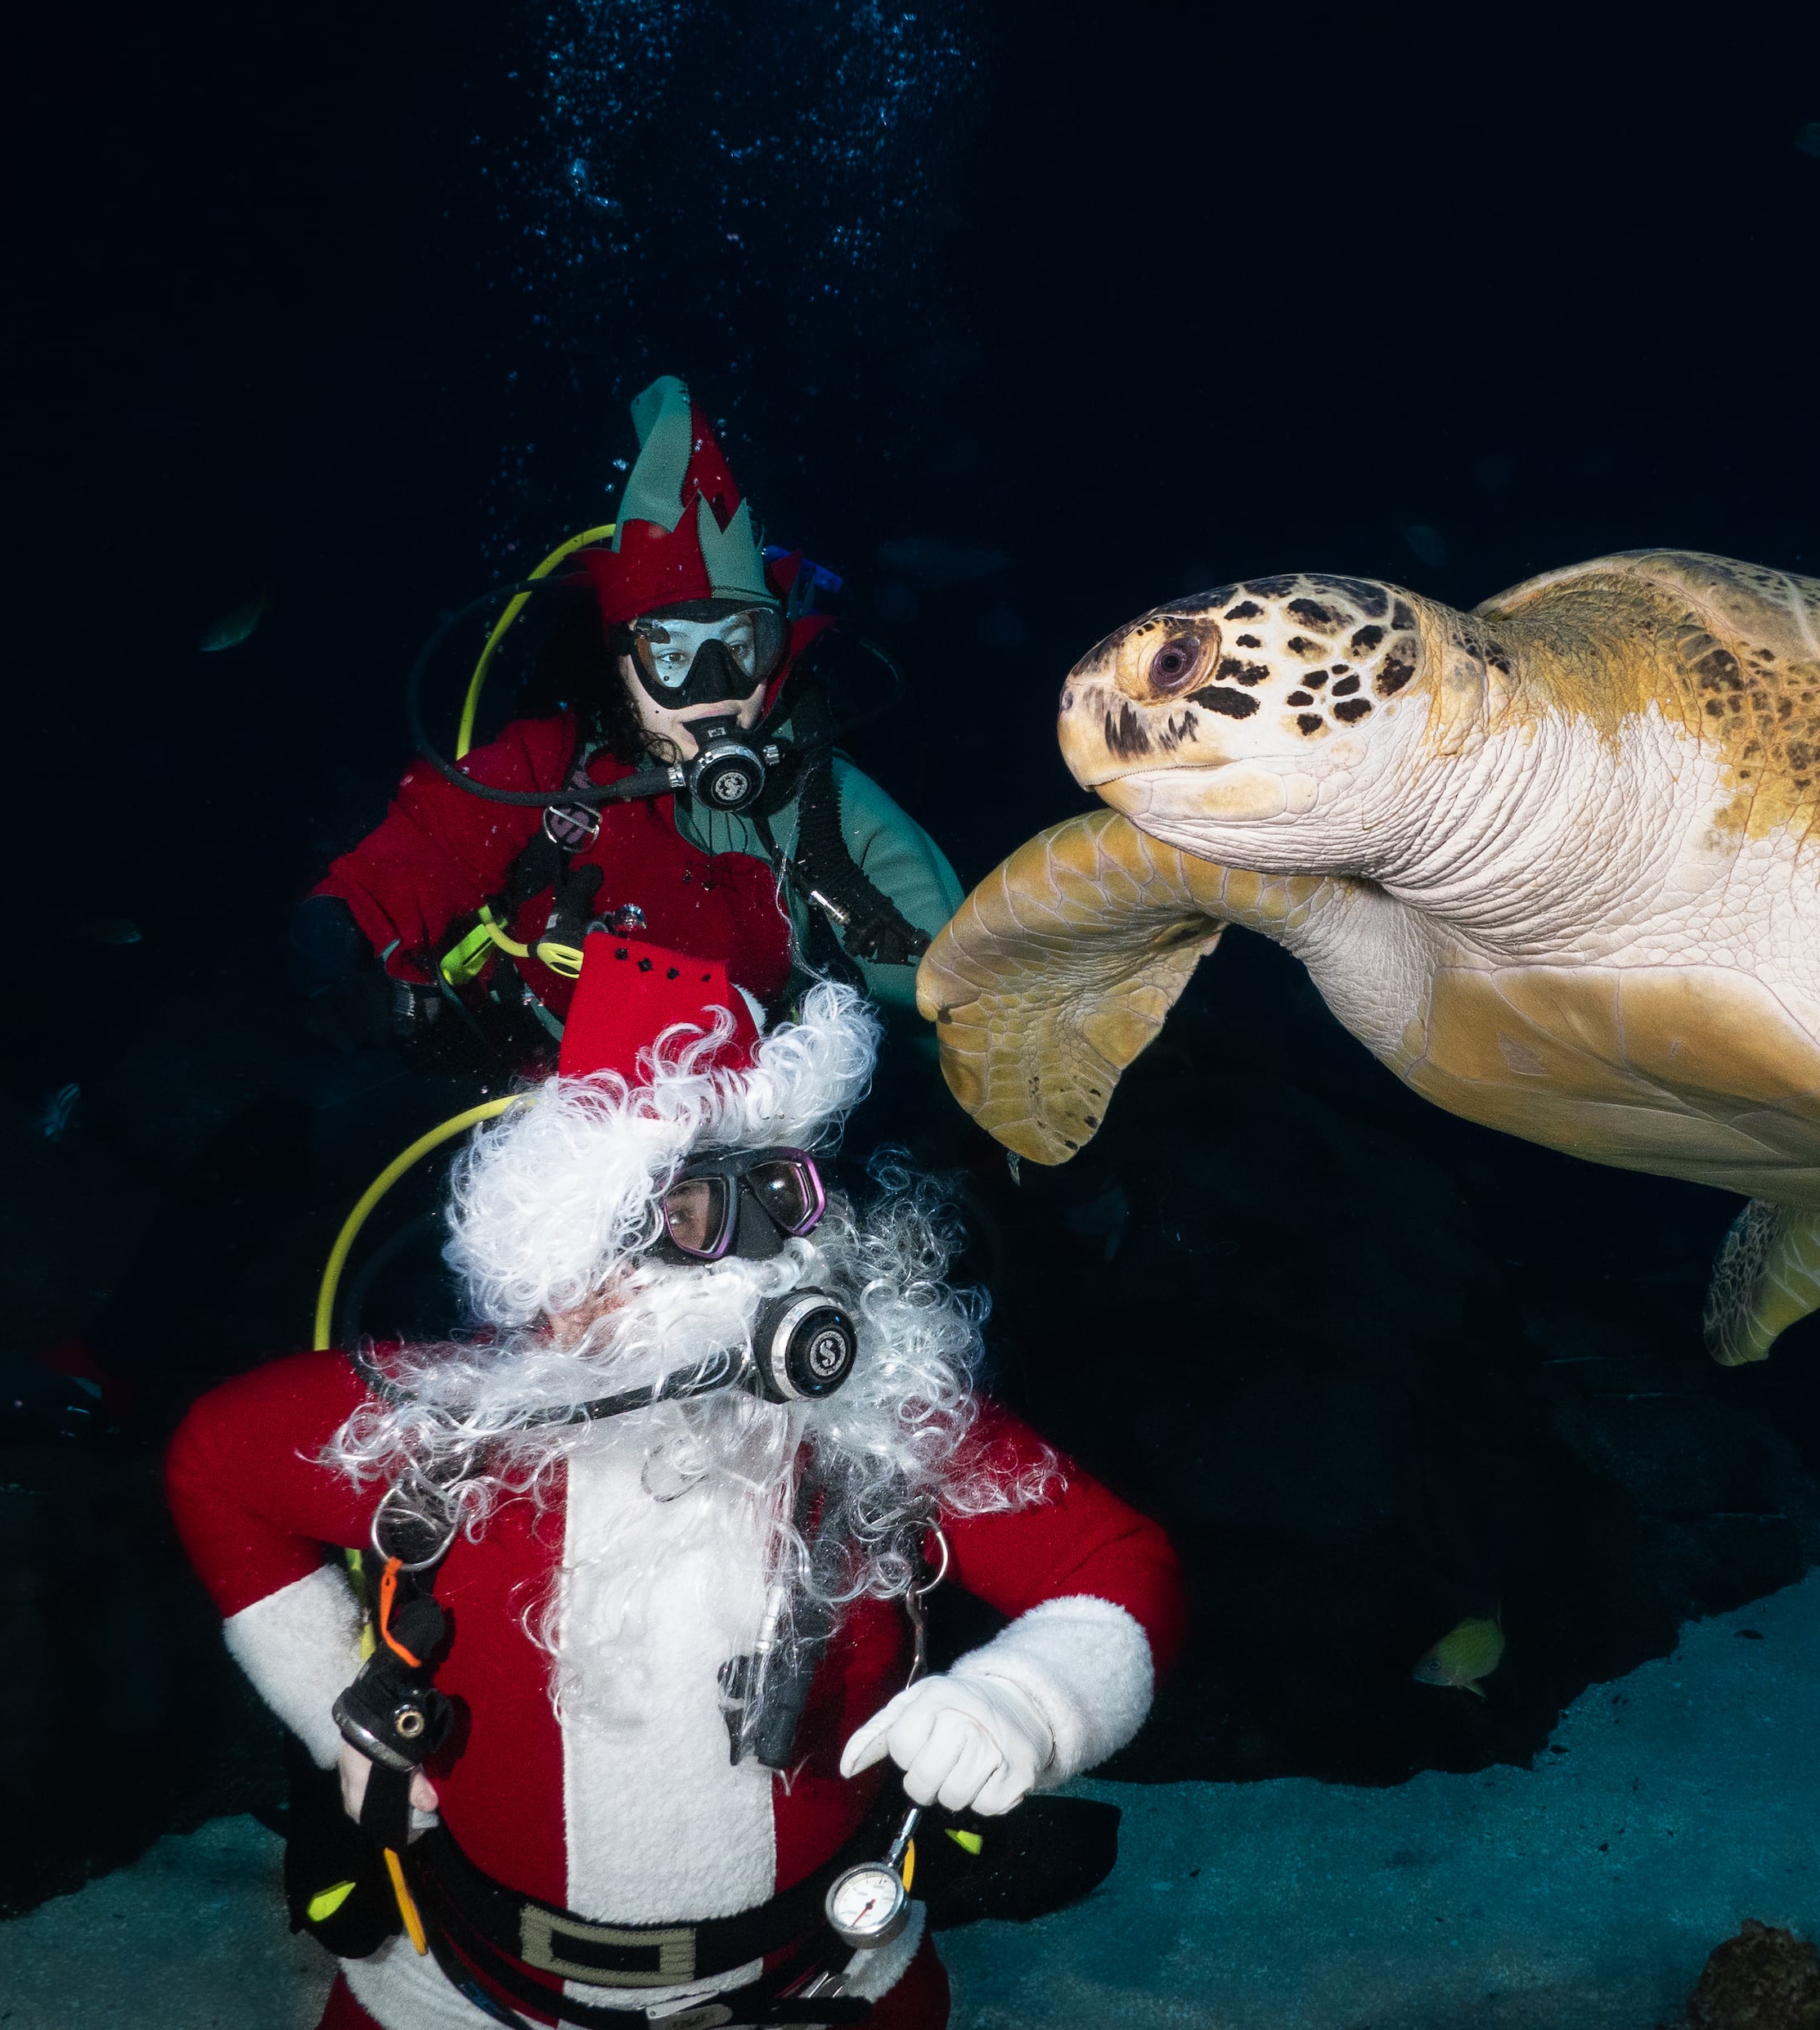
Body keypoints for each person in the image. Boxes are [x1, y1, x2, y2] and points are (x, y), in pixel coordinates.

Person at [169, 938, 1181, 2026]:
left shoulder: (881, 1418)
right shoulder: (437, 1431)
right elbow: (217, 1467)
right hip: (455, 1992)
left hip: (831, 1979)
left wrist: (1025, 1702)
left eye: (782, 1197)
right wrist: (343, 1716)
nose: (759, 1265)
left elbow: (1117, 1562)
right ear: (566, 1257)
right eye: (695, 1214)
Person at [296, 375, 963, 1077]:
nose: (712, 694)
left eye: (739, 648)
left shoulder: (821, 802)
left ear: (777, 652)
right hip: (542, 1090)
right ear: (619, 664)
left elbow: (949, 981)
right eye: (669, 653)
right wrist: (338, 937)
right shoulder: (545, 771)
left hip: (745, 1110)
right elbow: (423, 850)